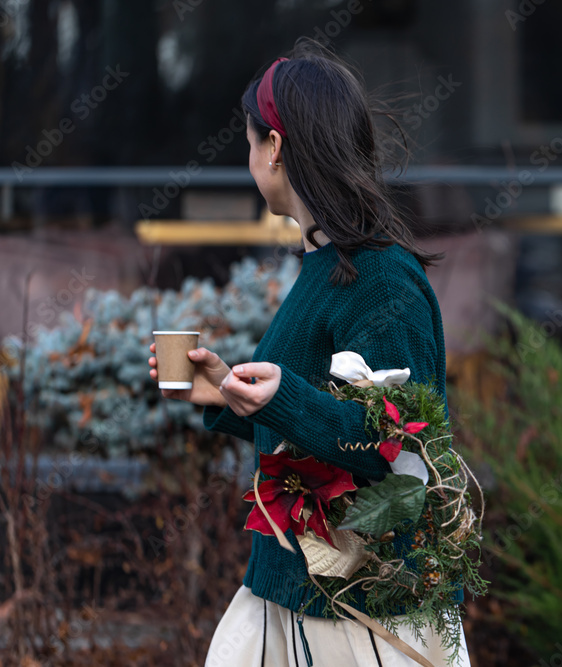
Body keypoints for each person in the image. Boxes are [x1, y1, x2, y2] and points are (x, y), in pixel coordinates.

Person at [148, 38, 470, 667]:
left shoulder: (381, 279)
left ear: (273, 147)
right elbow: (314, 415)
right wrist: (229, 394)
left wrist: (283, 399)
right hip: (295, 590)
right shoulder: (328, 263)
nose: (248, 159)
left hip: (363, 612)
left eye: (249, 143)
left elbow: (397, 445)